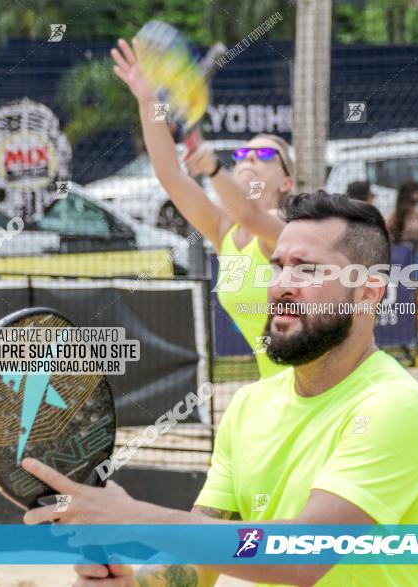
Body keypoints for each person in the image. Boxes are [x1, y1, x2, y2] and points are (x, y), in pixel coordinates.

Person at [23, 191, 418, 587]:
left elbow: (301, 557)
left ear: (366, 294)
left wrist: (132, 516)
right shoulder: (250, 404)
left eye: (307, 268)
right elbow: (195, 565)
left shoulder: (394, 406)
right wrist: (132, 582)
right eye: (278, 265)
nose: (282, 283)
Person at [112, 38, 292, 378]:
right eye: (242, 154)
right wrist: (148, 99)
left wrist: (213, 169)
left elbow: (249, 215)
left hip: (326, 384)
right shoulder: (224, 230)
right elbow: (168, 172)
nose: (250, 157)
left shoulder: (287, 228)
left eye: (266, 155)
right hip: (278, 383)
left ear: (287, 182)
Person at [386, 181, 418, 351]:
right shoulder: (392, 219)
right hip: (402, 269)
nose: (415, 206)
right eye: (412, 201)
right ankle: (413, 334)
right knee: (408, 301)